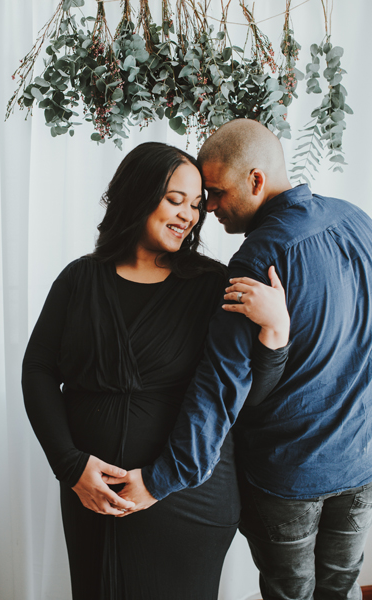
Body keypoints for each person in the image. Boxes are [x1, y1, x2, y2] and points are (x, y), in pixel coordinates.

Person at [113, 121, 372, 600]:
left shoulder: (257, 259)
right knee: (340, 589)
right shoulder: (356, 221)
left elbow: (219, 387)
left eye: (215, 193)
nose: (208, 209)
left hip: (288, 473)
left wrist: (160, 479)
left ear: (256, 181)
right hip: (360, 465)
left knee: (287, 593)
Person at [22, 141, 290, 600]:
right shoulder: (78, 279)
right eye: (174, 200)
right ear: (137, 194)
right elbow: (39, 371)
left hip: (185, 499)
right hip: (91, 492)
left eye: (195, 205)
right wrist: (70, 465)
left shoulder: (213, 285)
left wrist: (276, 333)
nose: (189, 215)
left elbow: (243, 396)